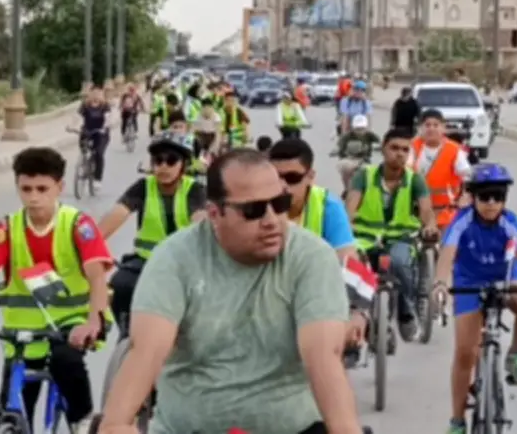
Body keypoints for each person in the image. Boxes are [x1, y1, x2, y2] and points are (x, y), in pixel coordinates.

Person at [99, 149, 363, 434]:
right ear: (215, 214)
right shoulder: (174, 259)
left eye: (280, 204)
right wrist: (115, 424)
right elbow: (146, 353)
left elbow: (323, 358)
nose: (272, 220)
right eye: (253, 210)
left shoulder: (312, 257)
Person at [0, 147, 113, 432]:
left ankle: (82, 421)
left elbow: (97, 277)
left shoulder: (78, 225)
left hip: (70, 326)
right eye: (26, 189)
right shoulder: (7, 228)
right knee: (13, 410)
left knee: (67, 362)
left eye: (42, 189)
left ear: (59, 187)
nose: (33, 197)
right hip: (22, 335)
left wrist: (94, 321)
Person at [431, 163, 517, 434]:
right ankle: (457, 421)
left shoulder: (510, 222)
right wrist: (440, 283)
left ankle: (516, 354)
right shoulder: (462, 221)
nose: (491, 203)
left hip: (505, 276)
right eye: (485, 196)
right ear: (474, 197)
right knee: (465, 353)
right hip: (470, 282)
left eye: (497, 197)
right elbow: (447, 253)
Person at [98, 133, 206, 334]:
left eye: (171, 161)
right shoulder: (143, 187)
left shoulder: (194, 190)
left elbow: (200, 221)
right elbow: (117, 214)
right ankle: (127, 333)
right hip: (145, 261)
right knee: (120, 285)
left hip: (184, 264)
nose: (163, 166)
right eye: (158, 160)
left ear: (184, 165)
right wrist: (90, 246)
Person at [268, 139, 367, 350]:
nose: (283, 186)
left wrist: (356, 312)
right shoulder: (257, 206)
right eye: (276, 177)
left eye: (292, 178)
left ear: (310, 177)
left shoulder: (328, 206)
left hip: (316, 295)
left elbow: (348, 259)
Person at [346, 128, 439, 342]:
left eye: (405, 150)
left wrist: (430, 226)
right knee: (351, 266)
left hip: (400, 238)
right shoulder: (364, 176)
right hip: (365, 238)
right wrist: (345, 226)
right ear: (383, 149)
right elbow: (350, 206)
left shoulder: (415, 180)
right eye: (394, 148)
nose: (399, 154)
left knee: (400, 262)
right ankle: (354, 316)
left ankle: (406, 312)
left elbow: (426, 210)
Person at [407, 109, 472, 231]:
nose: (431, 129)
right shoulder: (412, 147)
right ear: (420, 128)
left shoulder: (454, 150)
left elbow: (467, 176)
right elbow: (404, 169)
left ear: (443, 128)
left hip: (445, 213)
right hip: (415, 210)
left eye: (435, 125)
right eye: (427, 125)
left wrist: (466, 196)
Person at [74, 86, 112, 192]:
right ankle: (84, 163)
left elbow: (108, 118)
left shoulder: (105, 106)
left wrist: (105, 127)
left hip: (100, 133)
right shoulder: (85, 105)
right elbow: (77, 116)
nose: (95, 95)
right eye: (93, 93)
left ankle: (97, 179)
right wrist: (73, 125)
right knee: (83, 148)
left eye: (98, 93)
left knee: (98, 153)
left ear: (101, 95)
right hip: (87, 131)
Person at [335, 114, 381, 191]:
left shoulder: (370, 135)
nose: (360, 131)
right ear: (353, 128)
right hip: (348, 159)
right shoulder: (347, 136)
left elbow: (379, 143)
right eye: (357, 129)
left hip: (364, 160)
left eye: (362, 128)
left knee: (369, 174)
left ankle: (365, 189)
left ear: (366, 128)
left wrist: (378, 147)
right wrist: (338, 150)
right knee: (344, 171)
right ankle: (346, 189)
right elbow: (340, 145)